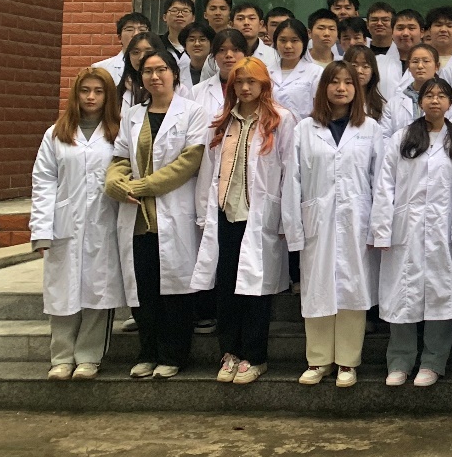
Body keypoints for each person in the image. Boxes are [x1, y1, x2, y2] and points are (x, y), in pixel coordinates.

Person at [104, 48, 207, 378]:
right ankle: (147, 353)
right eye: (147, 71)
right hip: (138, 219)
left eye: (161, 69)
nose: (154, 76)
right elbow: (120, 158)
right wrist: (115, 181)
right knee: (144, 290)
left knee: (175, 292)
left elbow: (188, 162)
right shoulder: (133, 114)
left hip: (174, 212)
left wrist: (142, 186)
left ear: (174, 73)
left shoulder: (193, 112)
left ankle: (173, 355)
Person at [191, 58, 293, 385]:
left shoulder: (280, 120)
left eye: (252, 81)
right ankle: (230, 353)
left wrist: (286, 221)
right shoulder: (222, 122)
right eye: (239, 82)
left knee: (255, 290)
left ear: (264, 84)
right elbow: (208, 171)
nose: (245, 88)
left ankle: (254, 356)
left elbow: (290, 173)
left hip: (260, 218)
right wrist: (204, 214)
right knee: (226, 287)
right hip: (225, 215)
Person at [283, 62, 383, 388]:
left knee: (353, 289)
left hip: (357, 221)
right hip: (318, 220)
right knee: (317, 289)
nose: (341, 88)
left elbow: (380, 181)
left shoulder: (370, 129)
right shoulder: (304, 129)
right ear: (323, 88)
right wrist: (293, 228)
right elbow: (292, 181)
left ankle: (348, 362)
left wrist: (379, 227)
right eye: (334, 82)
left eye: (348, 82)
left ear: (357, 89)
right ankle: (318, 360)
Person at [31, 68, 125, 381]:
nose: (91, 97)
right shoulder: (56, 133)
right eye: (85, 90)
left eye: (98, 91)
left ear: (108, 96)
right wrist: (41, 230)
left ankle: (88, 357)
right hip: (64, 224)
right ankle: (61, 357)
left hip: (104, 222)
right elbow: (44, 182)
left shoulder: (118, 132)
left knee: (99, 291)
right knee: (62, 292)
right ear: (76, 94)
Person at [371, 78, 452, 389]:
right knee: (402, 295)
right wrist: (382, 230)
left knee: (441, 295)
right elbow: (384, 185)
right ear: (420, 101)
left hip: (443, 229)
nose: (435, 100)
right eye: (429, 95)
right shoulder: (402, 137)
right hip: (405, 228)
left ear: (450, 102)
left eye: (441, 95)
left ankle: (433, 361)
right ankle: (400, 360)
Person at [191, 28, 248, 126]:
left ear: (245, 54)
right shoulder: (197, 91)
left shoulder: (256, 88)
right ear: (214, 56)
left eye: (235, 49)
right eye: (222, 50)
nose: (229, 55)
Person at [270, 18, 323, 121]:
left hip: (303, 128)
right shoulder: (266, 72)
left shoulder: (316, 72)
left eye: (294, 40)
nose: (288, 46)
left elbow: (320, 109)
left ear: (304, 43)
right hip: (270, 128)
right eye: (283, 40)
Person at [92, 12, 151, 85]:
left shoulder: (160, 67)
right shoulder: (101, 68)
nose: (136, 34)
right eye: (129, 30)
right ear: (120, 37)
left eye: (142, 30)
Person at [378, 8, 423, 85]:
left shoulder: (431, 64)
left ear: (422, 32)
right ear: (392, 32)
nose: (405, 33)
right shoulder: (377, 62)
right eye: (400, 28)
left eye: (411, 28)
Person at [117, 31, 162, 108]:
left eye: (148, 52)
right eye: (136, 52)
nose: (141, 57)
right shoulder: (119, 90)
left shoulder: (174, 88)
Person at [344, 45, 386, 122]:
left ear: (373, 71)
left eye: (365, 66)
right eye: (354, 65)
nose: (359, 71)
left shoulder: (381, 105)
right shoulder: (338, 100)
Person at [161, 0, 196, 68]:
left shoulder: (199, 45)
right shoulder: (157, 45)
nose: (180, 15)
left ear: (193, 18)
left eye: (185, 11)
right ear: (164, 17)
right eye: (174, 10)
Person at [181, 22, 215, 89]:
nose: (197, 44)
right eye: (191, 40)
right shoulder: (178, 74)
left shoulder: (219, 72)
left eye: (202, 40)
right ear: (185, 45)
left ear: (211, 45)